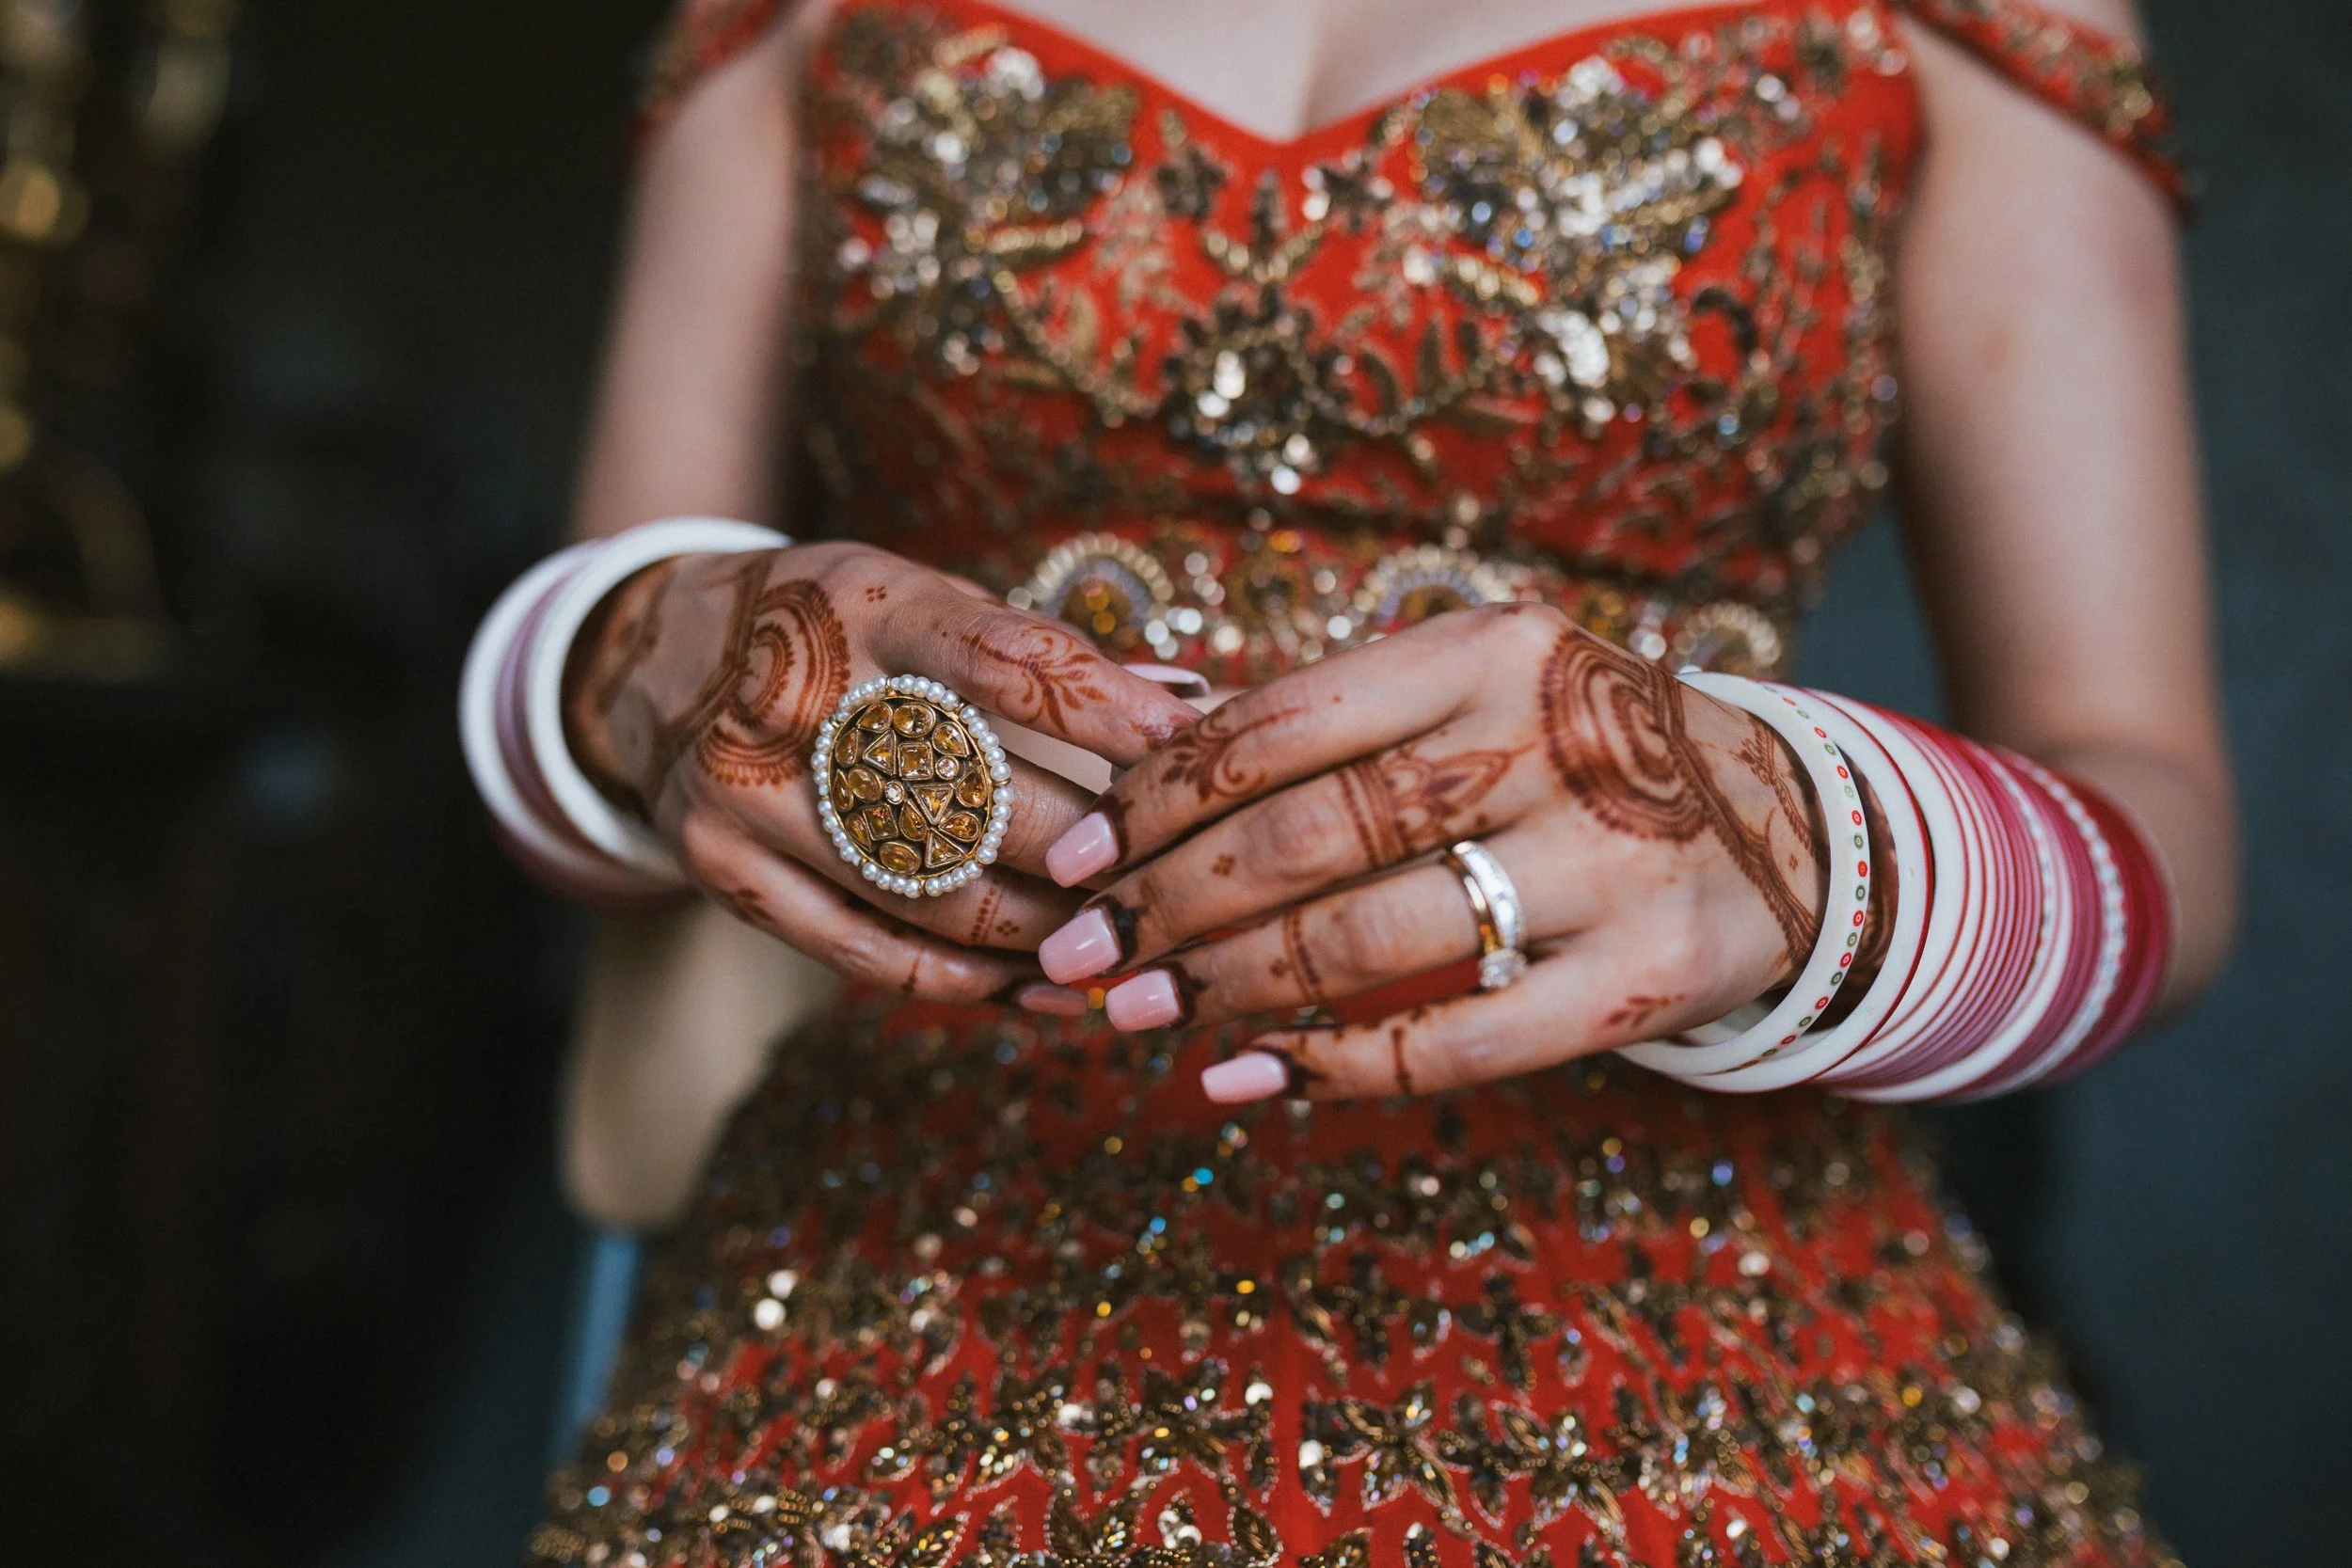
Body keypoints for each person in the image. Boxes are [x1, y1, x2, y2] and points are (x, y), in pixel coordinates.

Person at [476, 1, 2236, 1562]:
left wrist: (1787, 826)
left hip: (1693, 1314)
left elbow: (2162, 825)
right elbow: (597, 770)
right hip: (890, 1285)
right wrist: (651, 648)